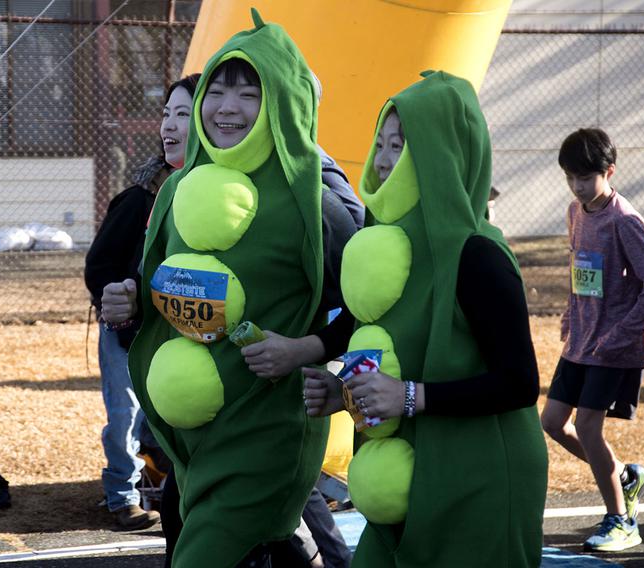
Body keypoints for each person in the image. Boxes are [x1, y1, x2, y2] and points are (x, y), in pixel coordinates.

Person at [104, 11, 335, 566]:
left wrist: (306, 349)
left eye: (250, 93)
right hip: (192, 441)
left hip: (266, 431)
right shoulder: (179, 186)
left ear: (280, 101)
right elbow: (164, 283)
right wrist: (131, 301)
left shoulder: (316, 196)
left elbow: (371, 309)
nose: (227, 108)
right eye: (217, 90)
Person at [303, 70, 548, 567]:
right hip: (414, 477)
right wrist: (344, 394)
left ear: (441, 156)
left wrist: (410, 396)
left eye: (404, 145)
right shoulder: (394, 250)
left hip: (478, 481)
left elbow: (520, 383)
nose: (385, 158)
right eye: (383, 143)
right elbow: (394, 357)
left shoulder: (478, 254)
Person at [540, 127, 644, 552]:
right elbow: (582, 271)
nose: (578, 186)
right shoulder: (576, 212)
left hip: (614, 348)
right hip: (581, 341)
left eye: (586, 177)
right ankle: (626, 476)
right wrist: (569, 314)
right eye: (570, 178)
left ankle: (621, 520)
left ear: (609, 171)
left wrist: (622, 333)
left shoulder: (624, 220)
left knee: (588, 427)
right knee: (552, 423)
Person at [83, 73, 199, 531]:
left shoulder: (222, 199)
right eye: (166, 113)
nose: (169, 124)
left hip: (181, 339)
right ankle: (122, 496)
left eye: (183, 114)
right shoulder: (139, 199)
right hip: (127, 338)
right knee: (125, 415)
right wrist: (117, 297)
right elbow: (100, 267)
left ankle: (178, 487)